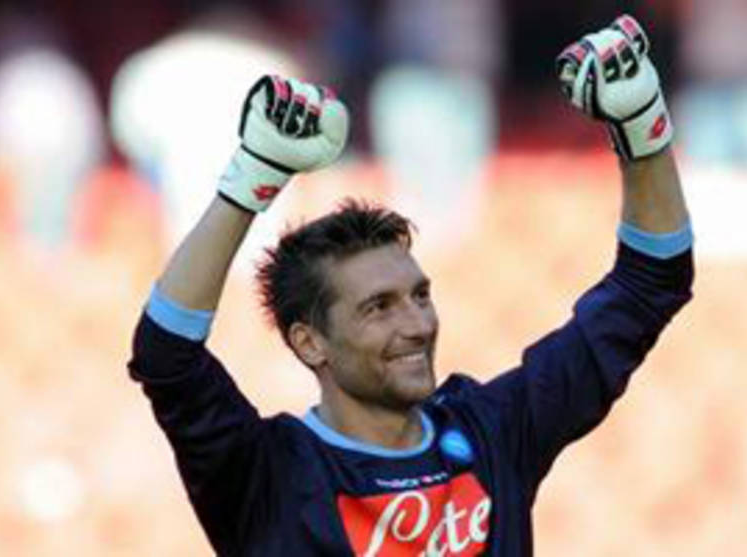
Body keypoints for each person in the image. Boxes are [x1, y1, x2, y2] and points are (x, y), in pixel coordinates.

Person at [128, 15, 693, 556]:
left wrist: (642, 127)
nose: (417, 325)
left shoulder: (493, 430)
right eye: (379, 307)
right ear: (310, 342)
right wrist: (251, 178)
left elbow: (649, 284)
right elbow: (166, 355)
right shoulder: (270, 475)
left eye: (419, 296)